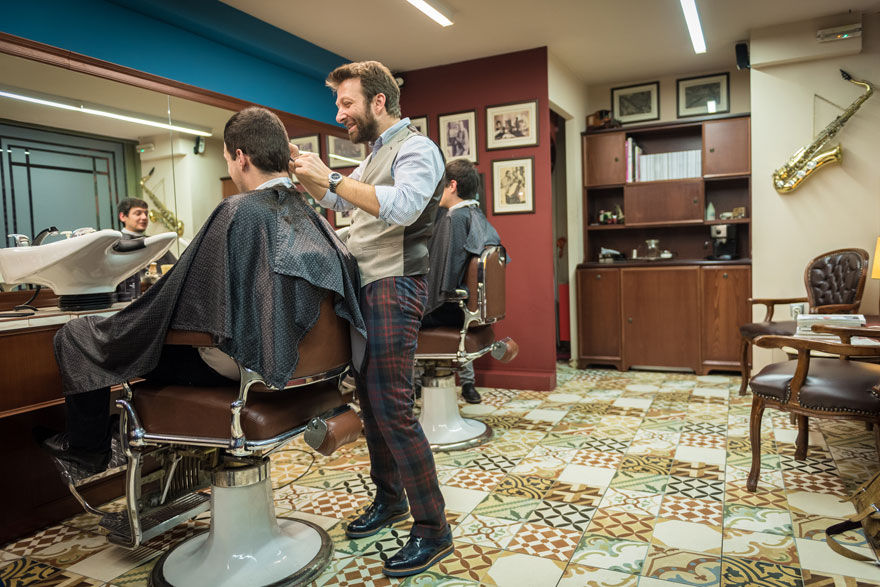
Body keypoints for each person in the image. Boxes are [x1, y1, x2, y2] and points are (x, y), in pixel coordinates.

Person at [41, 107, 365, 476]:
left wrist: (131, 322)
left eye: (227, 159)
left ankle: (88, 448)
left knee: (78, 336)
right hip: (305, 365)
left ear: (240, 157)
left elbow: (178, 296)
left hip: (245, 366)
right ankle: (135, 444)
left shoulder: (238, 211)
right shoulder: (310, 216)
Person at [289, 60, 451, 578]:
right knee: (373, 406)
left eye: (347, 103)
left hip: (394, 285)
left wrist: (332, 177)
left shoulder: (417, 149)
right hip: (366, 289)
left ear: (379, 101)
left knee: (394, 409)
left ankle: (434, 529)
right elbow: (340, 200)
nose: (340, 113)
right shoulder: (377, 154)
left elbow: (402, 208)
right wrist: (307, 174)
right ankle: (390, 499)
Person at [421, 159, 502, 404]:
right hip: (467, 310)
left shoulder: (454, 219)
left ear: (452, 186)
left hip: (451, 309)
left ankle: (405, 391)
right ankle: (457, 383)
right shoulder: (475, 215)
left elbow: (443, 281)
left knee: (397, 314)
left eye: (441, 186)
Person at [114, 197, 177, 301]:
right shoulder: (115, 244)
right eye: (138, 213)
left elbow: (175, 269)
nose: (144, 217)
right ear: (123, 216)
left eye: (146, 213)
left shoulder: (155, 242)